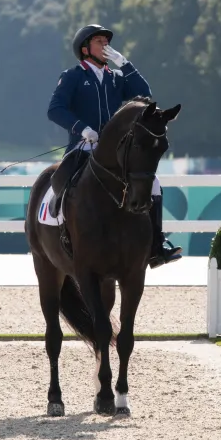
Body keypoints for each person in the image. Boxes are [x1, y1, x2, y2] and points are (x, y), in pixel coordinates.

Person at [47, 23, 182, 268]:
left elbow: (145, 94)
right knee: (61, 182)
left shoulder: (116, 78)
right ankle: (62, 236)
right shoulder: (73, 76)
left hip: (114, 151)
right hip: (83, 146)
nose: (105, 45)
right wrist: (82, 128)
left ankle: (156, 246)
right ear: (85, 49)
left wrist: (126, 64)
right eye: (99, 41)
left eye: (106, 42)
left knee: (153, 184)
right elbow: (55, 110)